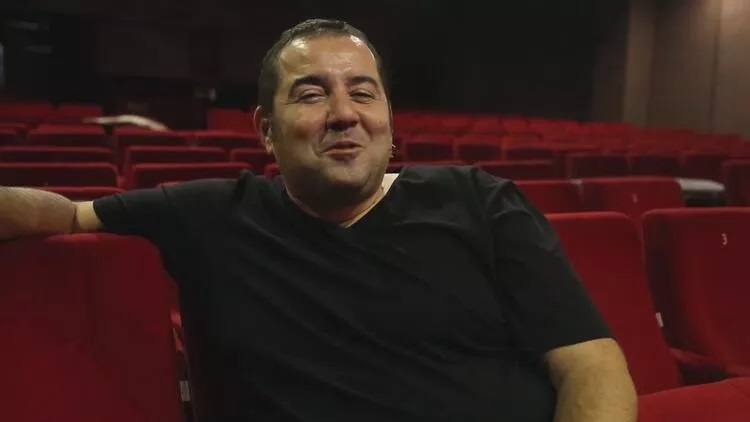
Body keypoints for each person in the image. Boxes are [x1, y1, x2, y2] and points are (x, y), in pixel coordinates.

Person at [0, 19, 636, 422]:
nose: (343, 113)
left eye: (362, 91)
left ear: (388, 118)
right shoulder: (209, 215)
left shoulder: (481, 200)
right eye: (311, 94)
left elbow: (590, 364)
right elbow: (66, 214)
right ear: (265, 129)